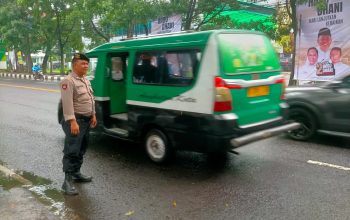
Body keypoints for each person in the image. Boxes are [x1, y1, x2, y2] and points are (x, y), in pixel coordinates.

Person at [60, 53, 97, 195]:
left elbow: (90, 98)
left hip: (86, 121)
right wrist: (72, 122)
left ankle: (76, 173)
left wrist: (93, 115)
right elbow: (67, 104)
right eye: (83, 63)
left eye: (87, 64)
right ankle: (67, 182)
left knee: (82, 148)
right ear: (74, 65)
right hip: (75, 122)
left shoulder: (85, 80)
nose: (86, 66)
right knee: (72, 150)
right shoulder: (67, 81)